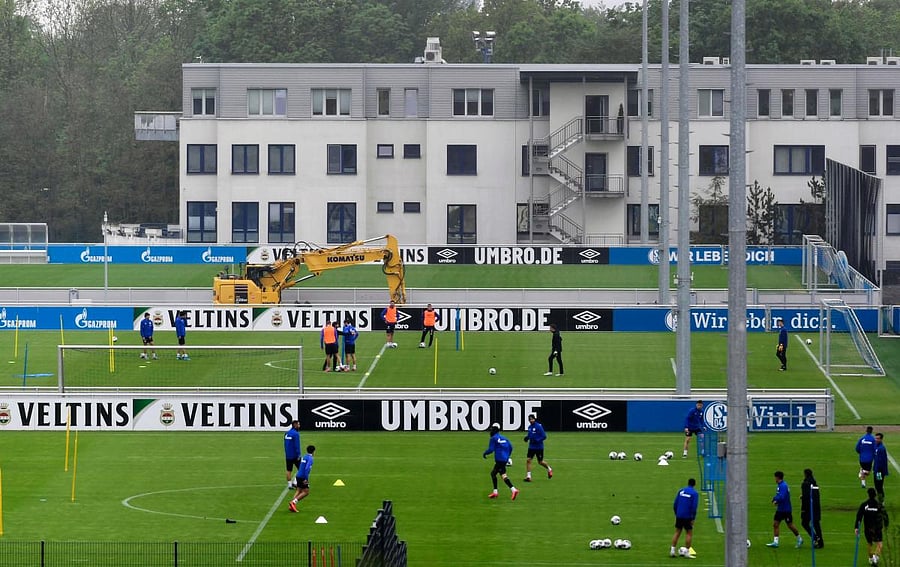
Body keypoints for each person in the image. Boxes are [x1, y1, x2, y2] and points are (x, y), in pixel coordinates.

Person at [766, 470, 803, 548]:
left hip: (786, 509)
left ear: (777, 477)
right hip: (780, 509)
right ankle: (776, 542)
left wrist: (775, 500)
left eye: (775, 477)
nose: (774, 479)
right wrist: (775, 499)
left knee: (790, 525)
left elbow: (782, 497)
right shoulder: (781, 485)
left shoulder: (783, 486)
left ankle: (799, 538)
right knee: (775, 524)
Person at [483, 423, 519, 501]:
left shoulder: (493, 438)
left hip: (499, 460)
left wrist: (485, 453)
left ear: (495, 430)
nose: (491, 430)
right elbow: (510, 447)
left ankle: (513, 490)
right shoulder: (504, 438)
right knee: (500, 474)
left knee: (496, 474)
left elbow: (491, 449)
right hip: (504, 460)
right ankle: (496, 492)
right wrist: (507, 456)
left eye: (492, 429)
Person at [855, 487, 889, 565]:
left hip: (868, 528)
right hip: (877, 528)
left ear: (868, 495)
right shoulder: (879, 505)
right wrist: (886, 524)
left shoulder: (864, 504)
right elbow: (885, 515)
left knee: (869, 543)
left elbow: (859, 516)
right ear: (875, 495)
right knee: (879, 544)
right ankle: (875, 557)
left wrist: (856, 527)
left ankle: (870, 558)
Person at [670, 478, 699, 558]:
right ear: (694, 484)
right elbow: (694, 507)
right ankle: (686, 551)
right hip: (687, 516)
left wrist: (677, 513)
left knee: (677, 532)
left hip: (679, 515)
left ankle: (672, 550)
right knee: (689, 533)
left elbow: (675, 504)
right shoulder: (694, 493)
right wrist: (693, 518)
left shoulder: (681, 491)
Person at [523, 414, 552, 482]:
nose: (531, 420)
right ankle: (528, 476)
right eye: (530, 419)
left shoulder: (538, 426)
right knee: (528, 460)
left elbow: (544, 436)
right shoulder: (529, 427)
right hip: (531, 447)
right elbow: (530, 435)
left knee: (540, 462)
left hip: (539, 447)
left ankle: (549, 469)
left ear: (534, 419)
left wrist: (538, 440)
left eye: (532, 419)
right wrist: (527, 438)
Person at [800, 468, 824, 549]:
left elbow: (806, 497)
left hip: (809, 507)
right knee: (816, 524)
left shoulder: (805, 484)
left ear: (805, 474)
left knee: (804, 523)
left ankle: (815, 538)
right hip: (816, 506)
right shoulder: (815, 484)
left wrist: (803, 508)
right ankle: (820, 542)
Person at [289, 445, 316, 512]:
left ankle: (292, 505)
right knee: (306, 492)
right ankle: (293, 502)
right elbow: (307, 468)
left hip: (298, 475)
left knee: (299, 490)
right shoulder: (310, 458)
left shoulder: (304, 456)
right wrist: (306, 479)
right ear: (313, 451)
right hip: (303, 476)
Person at [283, 420, 301, 489]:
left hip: (288, 455)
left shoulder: (286, 433)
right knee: (301, 469)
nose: (299, 426)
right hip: (295, 455)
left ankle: (290, 484)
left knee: (288, 470)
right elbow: (297, 445)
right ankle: (295, 482)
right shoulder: (296, 434)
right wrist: (299, 454)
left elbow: (285, 444)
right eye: (298, 425)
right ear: (295, 425)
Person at [873, 432, 889, 502]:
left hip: (879, 472)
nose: (876, 440)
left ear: (881, 439)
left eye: (878, 438)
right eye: (875, 438)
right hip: (876, 470)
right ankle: (880, 500)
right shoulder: (877, 446)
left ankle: (881, 501)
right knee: (877, 486)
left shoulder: (881, 449)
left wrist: (879, 472)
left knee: (879, 486)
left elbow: (882, 461)